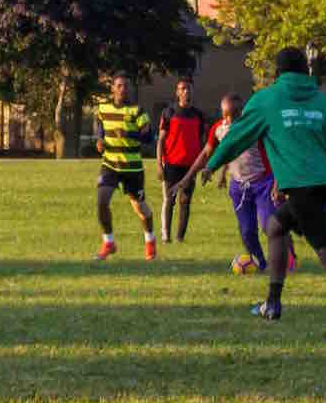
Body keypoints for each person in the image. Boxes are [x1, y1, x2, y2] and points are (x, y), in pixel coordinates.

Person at [202, 47, 326, 326]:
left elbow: (236, 136)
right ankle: (272, 303)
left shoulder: (267, 100)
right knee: (275, 227)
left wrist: (212, 164)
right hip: (319, 186)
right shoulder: (324, 103)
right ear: (306, 72)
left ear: (277, 73)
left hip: (301, 188)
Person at [170, 92, 296, 274]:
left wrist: (278, 183)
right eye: (225, 114)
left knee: (271, 226)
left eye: (233, 114)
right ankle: (260, 263)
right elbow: (206, 153)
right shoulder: (219, 129)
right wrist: (187, 178)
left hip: (263, 183)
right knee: (246, 231)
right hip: (239, 186)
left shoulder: (255, 127)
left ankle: (288, 257)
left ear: (241, 113)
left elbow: (278, 153)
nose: (228, 119)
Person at [94, 71, 157, 261]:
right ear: (113, 88)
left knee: (141, 209)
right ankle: (109, 242)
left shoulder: (137, 111)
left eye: (126, 86)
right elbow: (100, 126)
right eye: (119, 86)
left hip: (132, 168)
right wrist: (99, 140)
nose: (123, 89)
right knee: (102, 201)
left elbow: (149, 137)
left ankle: (150, 241)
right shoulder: (103, 108)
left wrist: (128, 135)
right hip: (110, 164)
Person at [156, 77, 209, 244]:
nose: (186, 91)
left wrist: (204, 163)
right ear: (177, 92)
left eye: (189, 88)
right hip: (171, 164)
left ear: (193, 91)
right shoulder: (169, 112)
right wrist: (159, 164)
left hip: (190, 166)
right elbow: (161, 140)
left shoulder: (199, 115)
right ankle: (166, 237)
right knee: (170, 199)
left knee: (185, 200)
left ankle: (180, 237)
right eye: (183, 88)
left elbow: (203, 142)